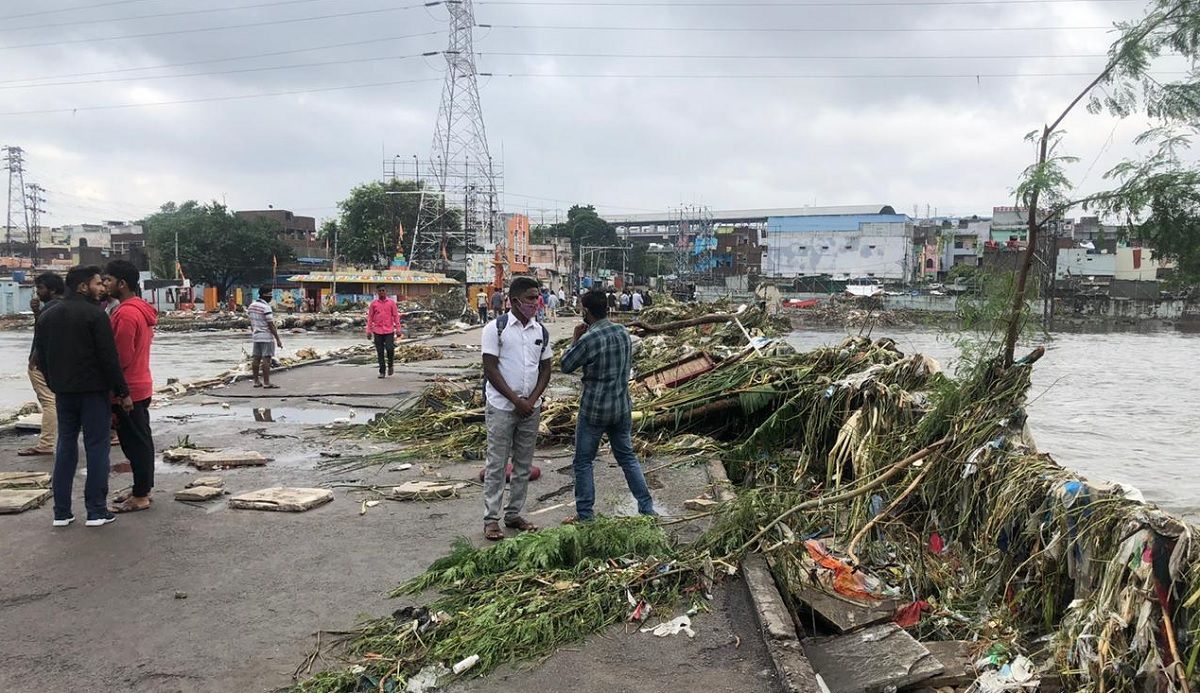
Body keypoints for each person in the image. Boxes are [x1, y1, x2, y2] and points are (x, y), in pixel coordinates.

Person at [34, 265, 131, 528]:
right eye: (98, 283)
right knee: (97, 448)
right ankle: (96, 511)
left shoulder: (47, 315)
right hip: (93, 393)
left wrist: (55, 384)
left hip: (64, 393)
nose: (102, 288)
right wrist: (122, 392)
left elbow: (39, 358)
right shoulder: (95, 315)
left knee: (65, 447)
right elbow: (109, 359)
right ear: (82, 286)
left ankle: (61, 512)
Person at [560, 291, 655, 522]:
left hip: (594, 410)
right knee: (628, 458)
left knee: (583, 462)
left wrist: (575, 339)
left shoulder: (589, 339)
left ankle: (586, 515)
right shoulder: (622, 332)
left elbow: (566, 365)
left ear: (586, 311)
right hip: (621, 407)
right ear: (606, 308)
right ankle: (646, 507)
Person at [480, 276, 552, 542]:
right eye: (531, 298)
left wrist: (531, 400)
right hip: (501, 407)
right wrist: (516, 400)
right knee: (497, 464)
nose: (536, 302)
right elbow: (490, 369)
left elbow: (545, 370)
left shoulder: (540, 331)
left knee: (523, 464)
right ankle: (491, 519)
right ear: (515, 301)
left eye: (537, 297)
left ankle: (514, 514)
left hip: (531, 409)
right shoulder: (495, 329)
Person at [103, 260, 157, 514]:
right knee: (140, 440)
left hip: (128, 388)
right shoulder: (140, 309)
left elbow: (121, 357)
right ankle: (142, 488)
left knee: (135, 443)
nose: (105, 284)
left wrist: (115, 387)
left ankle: (141, 494)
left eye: (108, 280)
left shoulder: (125, 313)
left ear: (122, 284)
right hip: (140, 382)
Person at [20, 272, 65, 457]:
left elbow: (44, 336)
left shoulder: (52, 309)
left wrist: (35, 358)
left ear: (52, 290)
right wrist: (37, 313)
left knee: (48, 401)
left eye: (40, 288)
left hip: (42, 362)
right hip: (56, 363)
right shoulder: (61, 307)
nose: (37, 292)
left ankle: (46, 443)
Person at [248, 286, 283, 389]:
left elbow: (251, 322)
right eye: (270, 295)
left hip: (256, 336)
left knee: (256, 358)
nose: (271, 297)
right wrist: (277, 339)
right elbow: (271, 325)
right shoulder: (266, 307)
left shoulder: (251, 306)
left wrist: (254, 331)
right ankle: (266, 382)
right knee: (266, 359)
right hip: (266, 336)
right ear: (264, 295)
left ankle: (256, 381)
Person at [367, 286, 401, 378]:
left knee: (390, 348)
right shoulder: (374, 304)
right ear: (377, 292)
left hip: (389, 330)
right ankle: (382, 371)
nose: (381, 292)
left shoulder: (391, 303)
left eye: (383, 290)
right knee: (380, 351)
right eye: (380, 291)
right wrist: (369, 331)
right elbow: (370, 318)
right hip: (377, 331)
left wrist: (398, 329)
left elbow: (396, 316)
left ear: (386, 292)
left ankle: (390, 365)